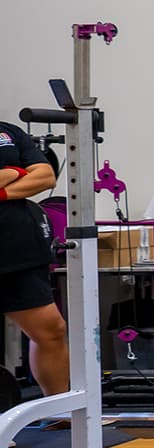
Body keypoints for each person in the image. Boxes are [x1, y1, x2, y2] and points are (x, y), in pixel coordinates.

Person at [0, 117, 66, 418]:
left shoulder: (8, 131)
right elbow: (30, 176)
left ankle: (59, 412)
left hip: (18, 249)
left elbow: (45, 176)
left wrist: (3, 187)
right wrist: (15, 172)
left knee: (51, 330)